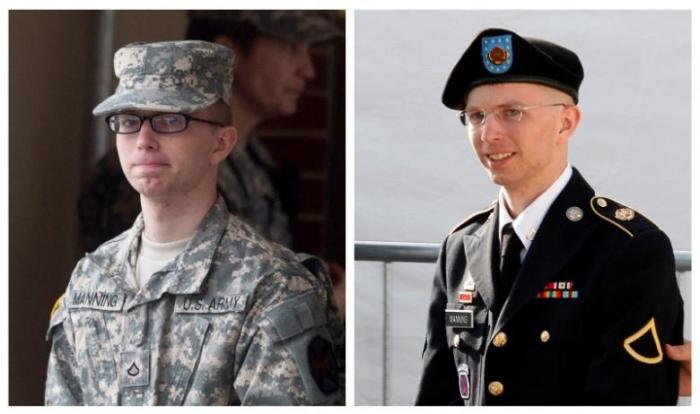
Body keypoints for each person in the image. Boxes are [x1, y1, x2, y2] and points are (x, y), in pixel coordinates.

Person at [45, 40, 343, 405]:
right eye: (128, 120)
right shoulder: (90, 278)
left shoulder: (273, 287)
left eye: (170, 120)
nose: (144, 140)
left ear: (221, 144)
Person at [415, 28, 684, 405]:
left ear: (566, 122)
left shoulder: (628, 249)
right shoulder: (461, 247)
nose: (488, 134)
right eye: (476, 116)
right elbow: (436, 395)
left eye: (512, 113)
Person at [79, 10, 341, 252]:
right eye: (289, 47)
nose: (307, 70)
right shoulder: (149, 165)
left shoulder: (254, 160)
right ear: (228, 54)